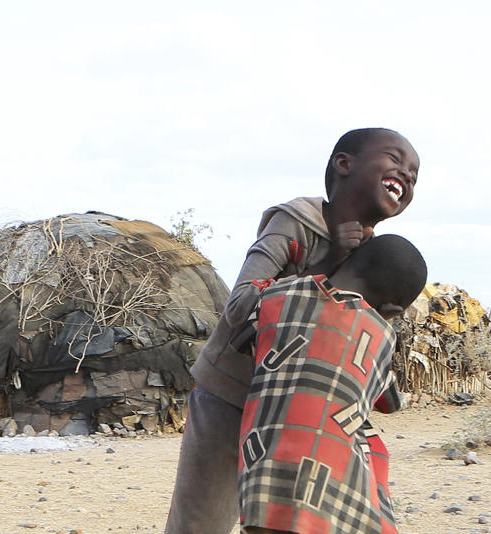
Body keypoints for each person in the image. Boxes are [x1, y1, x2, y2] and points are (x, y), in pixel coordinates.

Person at [165, 128, 420, 534]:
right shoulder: (296, 222)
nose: (405, 176)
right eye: (395, 160)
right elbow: (239, 307)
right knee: (200, 523)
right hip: (230, 395)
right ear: (344, 164)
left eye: (413, 174)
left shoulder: (379, 257)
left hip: (297, 412)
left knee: (294, 519)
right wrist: (329, 263)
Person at [238, 234, 427, 534]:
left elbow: (242, 339)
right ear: (391, 311)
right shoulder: (379, 336)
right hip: (328, 484)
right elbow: (388, 402)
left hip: (261, 470)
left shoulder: (275, 296)